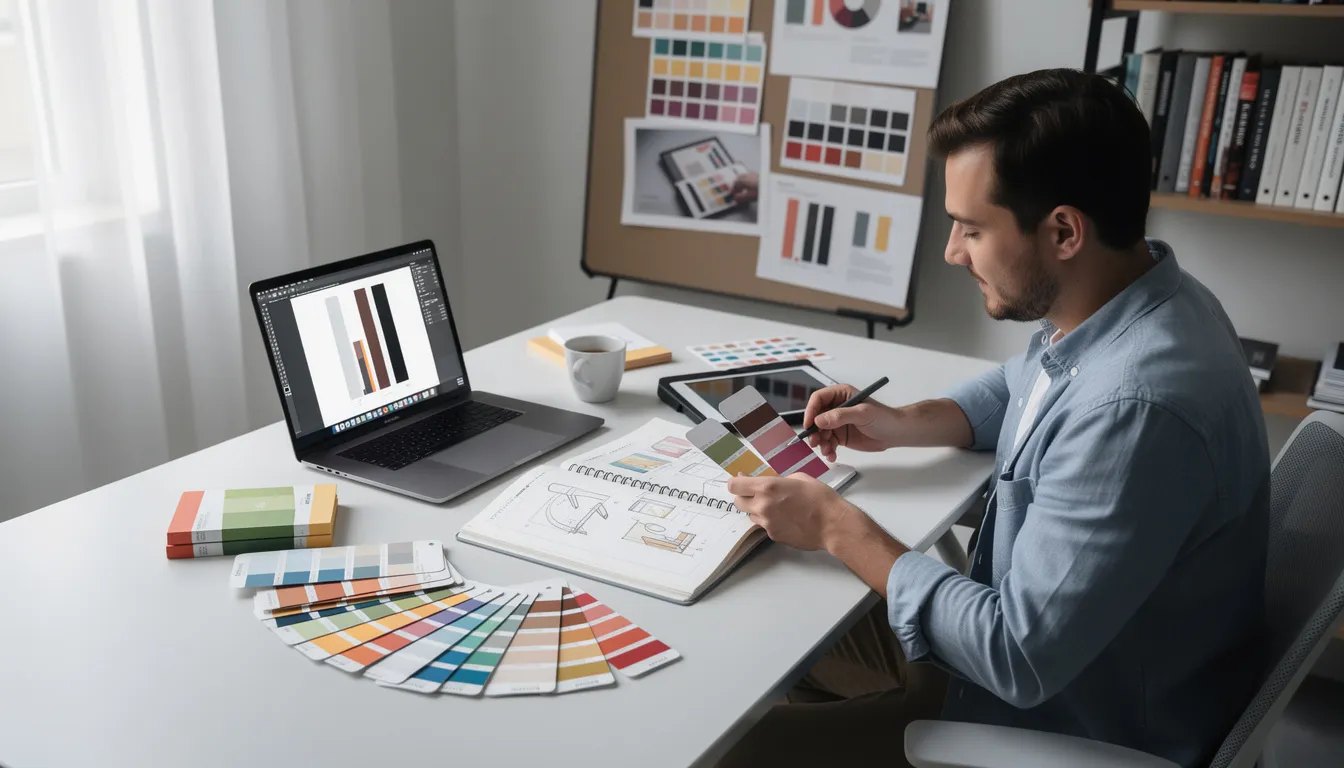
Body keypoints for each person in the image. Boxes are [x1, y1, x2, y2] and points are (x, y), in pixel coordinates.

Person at [718, 68, 1269, 768]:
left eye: (971, 229)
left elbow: (1014, 654)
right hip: (1071, 670)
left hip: (1057, 727)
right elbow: (1026, 379)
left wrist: (835, 525)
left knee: (728, 745)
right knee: (784, 630)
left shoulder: (1134, 411)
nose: (952, 251)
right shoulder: (1146, 300)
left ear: (1064, 230)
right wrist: (903, 421)